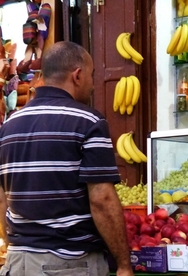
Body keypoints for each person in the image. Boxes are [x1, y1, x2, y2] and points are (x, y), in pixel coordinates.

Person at [0, 41, 134, 276]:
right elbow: (101, 199)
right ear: (78, 76)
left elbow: (1, 199)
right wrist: (123, 265)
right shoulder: (88, 121)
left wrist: (15, 246)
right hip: (68, 265)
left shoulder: (9, 125)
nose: (93, 84)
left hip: (16, 264)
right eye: (92, 75)